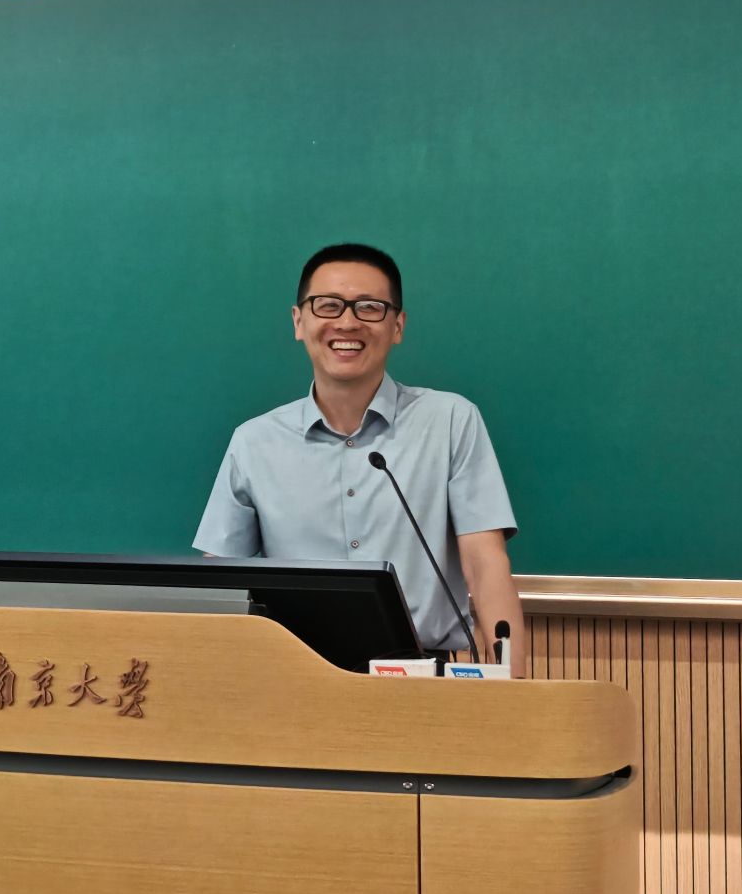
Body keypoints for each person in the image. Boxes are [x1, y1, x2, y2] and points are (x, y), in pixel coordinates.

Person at [194, 243, 528, 673]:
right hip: (293, 677)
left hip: (420, 679)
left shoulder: (450, 420)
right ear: (298, 321)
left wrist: (514, 688)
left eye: (369, 307)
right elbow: (221, 585)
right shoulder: (254, 442)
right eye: (328, 305)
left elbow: (485, 564)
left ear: (397, 326)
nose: (348, 322)